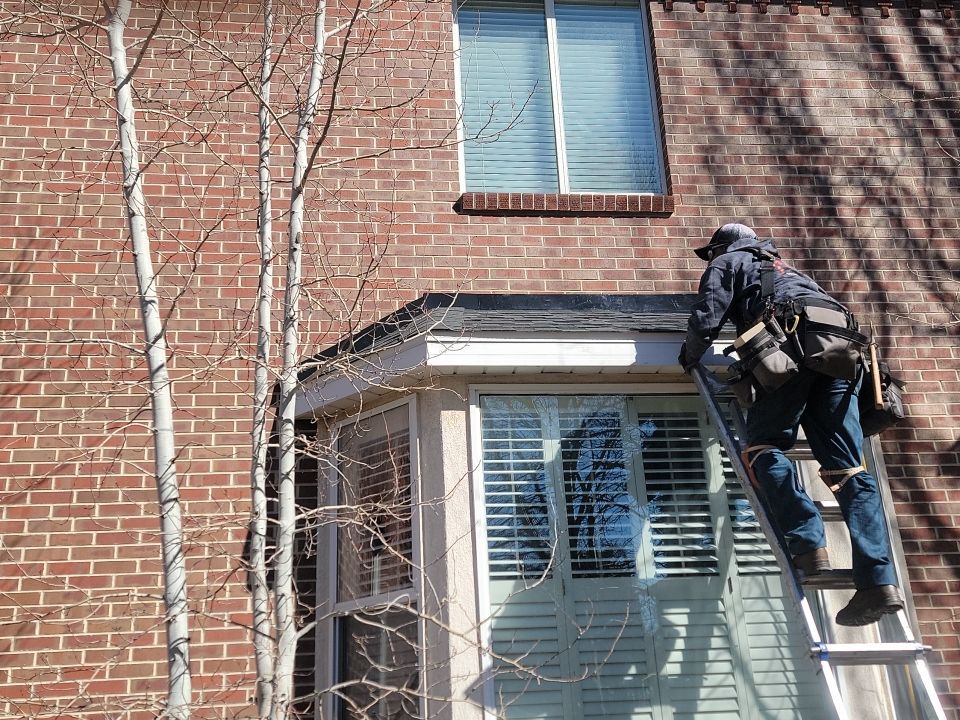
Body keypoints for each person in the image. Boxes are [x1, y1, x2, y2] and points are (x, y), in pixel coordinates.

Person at [679, 223, 903, 627]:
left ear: (721, 248)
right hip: (842, 352)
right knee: (848, 469)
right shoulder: (792, 271)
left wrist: (689, 356)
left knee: (763, 448)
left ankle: (808, 547)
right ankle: (878, 582)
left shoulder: (728, 261)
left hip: (790, 349)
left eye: (712, 253)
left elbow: (707, 316)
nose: (711, 259)